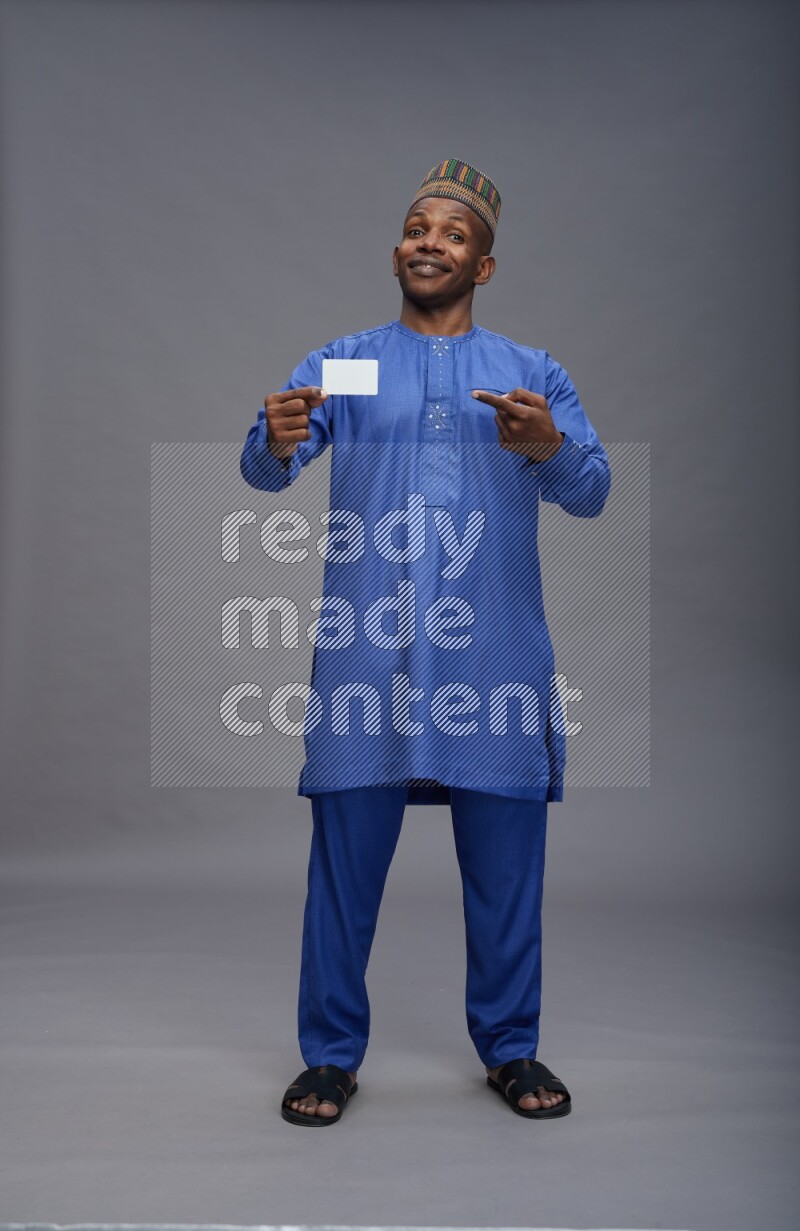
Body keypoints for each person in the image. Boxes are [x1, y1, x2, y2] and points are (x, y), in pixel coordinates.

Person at [240, 159, 610, 1125]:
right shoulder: (354, 361)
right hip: (369, 656)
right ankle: (328, 1056)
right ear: (398, 249)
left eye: (451, 233)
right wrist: (277, 436)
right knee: (343, 868)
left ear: (483, 265)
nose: (428, 242)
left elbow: (593, 489)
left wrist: (549, 449)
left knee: (506, 868)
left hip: (492, 657)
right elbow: (269, 467)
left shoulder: (530, 373)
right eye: (415, 227)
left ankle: (512, 1048)